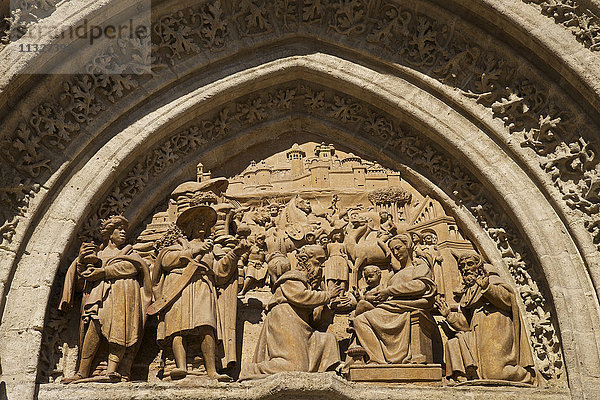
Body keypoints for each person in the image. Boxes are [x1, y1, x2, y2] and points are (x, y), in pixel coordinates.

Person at [149, 204, 250, 381]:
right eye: (199, 220)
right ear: (189, 226)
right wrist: (195, 250)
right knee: (176, 329)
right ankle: (180, 366)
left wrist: (235, 254)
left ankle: (212, 371)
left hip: (203, 287)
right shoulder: (177, 246)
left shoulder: (212, 250)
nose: (203, 224)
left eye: (206, 221)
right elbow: (166, 261)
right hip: (178, 287)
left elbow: (219, 273)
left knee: (207, 326)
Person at [60, 216, 151, 383]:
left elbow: (133, 267)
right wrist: (81, 263)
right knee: (93, 328)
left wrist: (103, 272)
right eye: (119, 229)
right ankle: (82, 371)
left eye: (124, 229)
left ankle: (112, 370)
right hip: (98, 298)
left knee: (120, 331)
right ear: (110, 233)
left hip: (121, 298)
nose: (123, 232)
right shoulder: (97, 255)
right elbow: (80, 285)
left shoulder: (130, 254)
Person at [239, 245, 342, 379]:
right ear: (305, 261)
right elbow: (301, 296)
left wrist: (330, 307)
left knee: (327, 339)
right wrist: (327, 295)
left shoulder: (307, 284)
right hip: (284, 319)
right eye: (318, 263)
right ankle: (251, 370)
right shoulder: (293, 278)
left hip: (301, 327)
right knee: (293, 368)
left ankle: (330, 370)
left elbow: (314, 321)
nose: (320, 269)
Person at [435, 253, 536, 384]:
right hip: (477, 332)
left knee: (495, 373)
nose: (465, 268)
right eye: (462, 266)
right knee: (454, 344)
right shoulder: (469, 291)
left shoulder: (490, 279)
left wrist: (487, 288)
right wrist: (449, 315)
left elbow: (507, 300)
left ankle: (527, 376)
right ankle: (467, 376)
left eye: (469, 264)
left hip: (496, 326)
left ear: (479, 266)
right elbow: (466, 324)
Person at [352, 233, 437, 364]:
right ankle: (377, 359)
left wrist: (388, 291)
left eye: (398, 248)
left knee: (361, 320)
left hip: (407, 308)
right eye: (392, 250)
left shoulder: (419, 267)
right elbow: (387, 295)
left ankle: (379, 360)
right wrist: (373, 297)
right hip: (392, 308)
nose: (395, 252)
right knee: (360, 319)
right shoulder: (393, 276)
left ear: (407, 246)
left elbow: (420, 285)